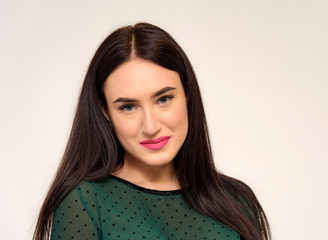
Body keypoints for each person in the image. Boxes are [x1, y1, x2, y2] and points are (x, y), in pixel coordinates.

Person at [33, 22, 271, 240]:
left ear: (187, 95)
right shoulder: (85, 201)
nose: (151, 126)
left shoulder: (237, 200)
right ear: (105, 111)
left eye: (164, 99)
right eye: (128, 106)